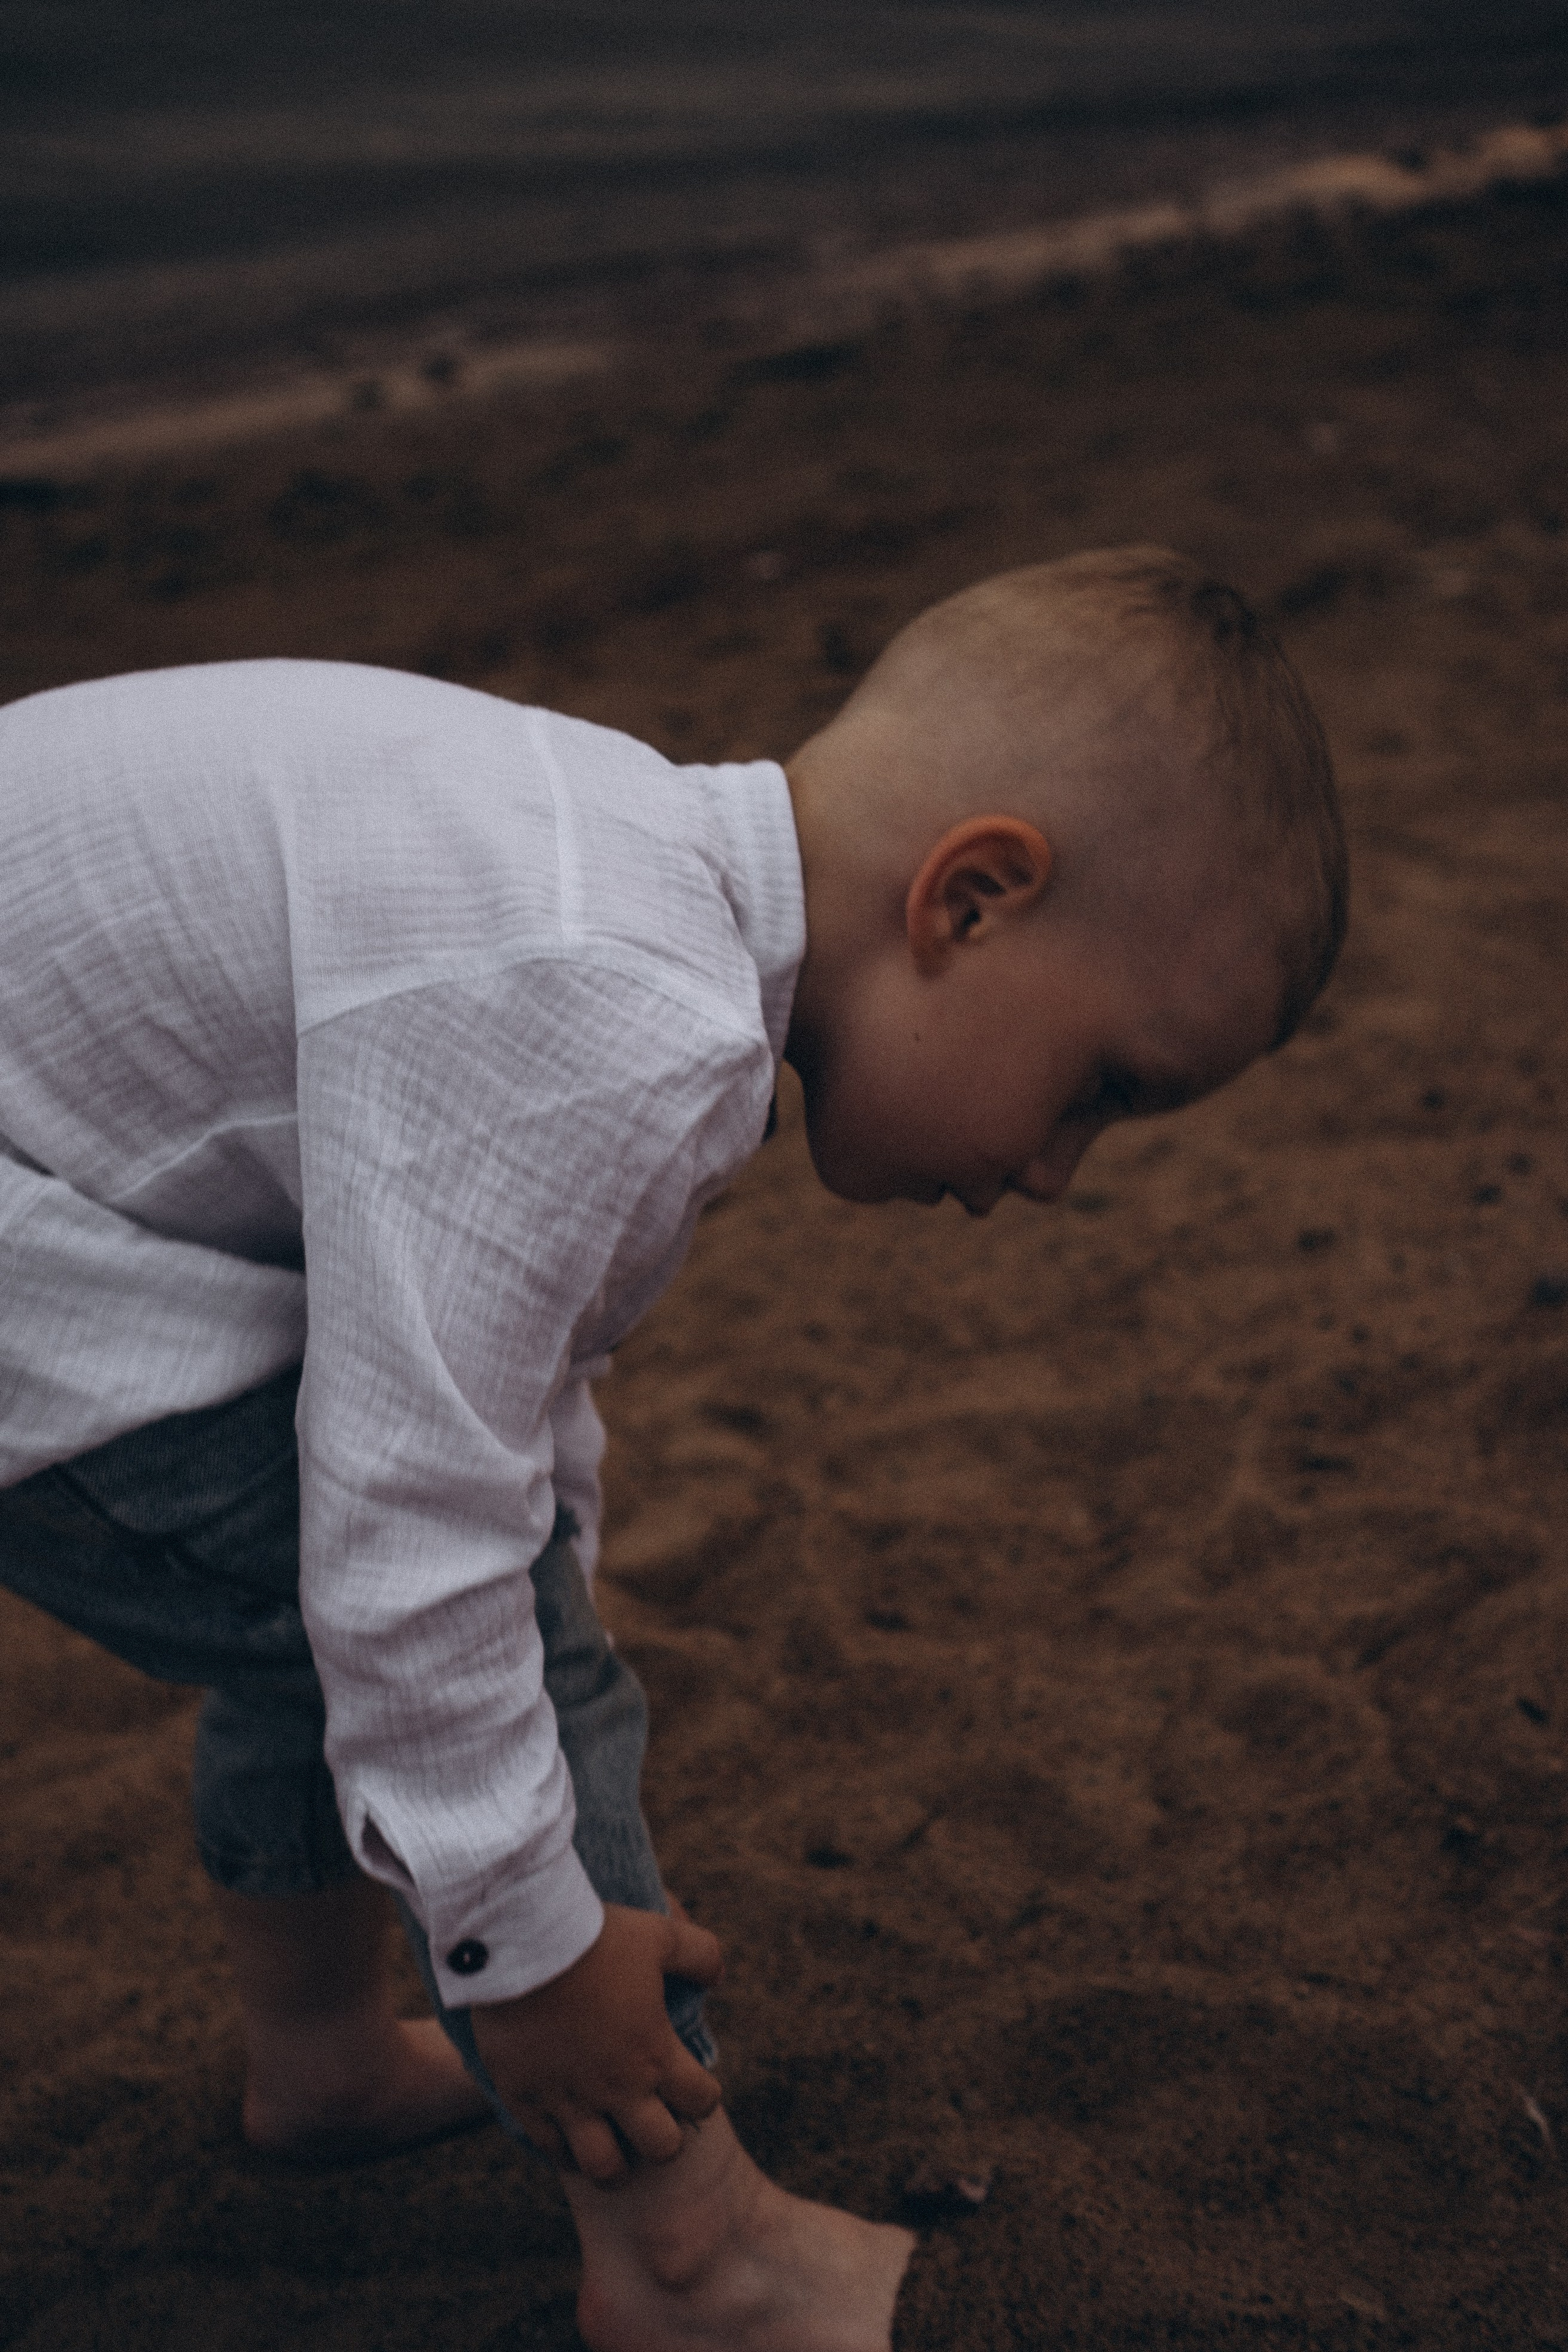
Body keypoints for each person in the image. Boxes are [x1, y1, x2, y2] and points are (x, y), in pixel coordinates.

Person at [0, 545, 1344, 2351]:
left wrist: (545, 1583)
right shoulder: (618, 1016)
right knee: (489, 1668)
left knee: (371, 1613)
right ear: (973, 899)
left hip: (66, 1190)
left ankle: (317, 2068)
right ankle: (692, 2255)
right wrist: (533, 1951)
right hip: (41, 1260)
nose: (1053, 1169)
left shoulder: (607, 880)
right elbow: (414, 1534)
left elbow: (490, 1376)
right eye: (1104, 1086)